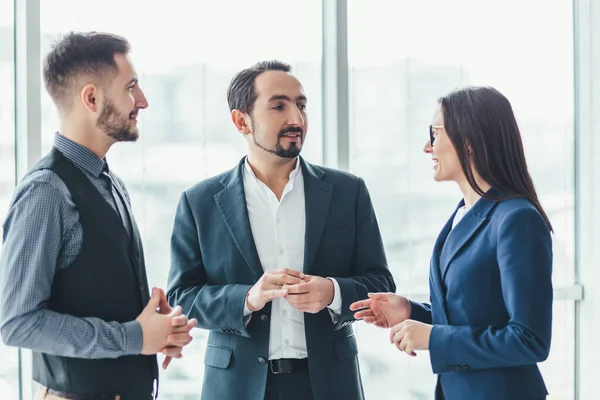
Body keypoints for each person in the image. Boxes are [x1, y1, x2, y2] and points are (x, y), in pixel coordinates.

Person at [166, 60, 395, 400]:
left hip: (329, 385)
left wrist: (332, 293)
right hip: (236, 386)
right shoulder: (200, 202)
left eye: (301, 105)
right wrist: (246, 298)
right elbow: (181, 297)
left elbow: (380, 283)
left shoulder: (348, 192)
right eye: (279, 106)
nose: (296, 119)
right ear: (241, 121)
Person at [0, 32, 197, 400]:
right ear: (91, 97)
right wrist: (135, 337)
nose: (143, 101)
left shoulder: (111, 183)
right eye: (131, 87)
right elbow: (18, 323)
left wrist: (157, 330)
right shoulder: (46, 191)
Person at [350, 86, 553, 400]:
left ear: (468, 141)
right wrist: (411, 312)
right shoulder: (462, 214)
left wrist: (433, 338)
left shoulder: (516, 219)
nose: (426, 147)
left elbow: (529, 339)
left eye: (434, 133)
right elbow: (475, 313)